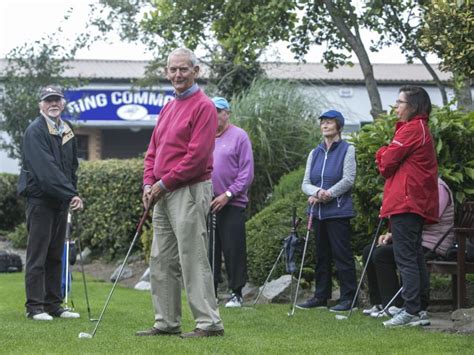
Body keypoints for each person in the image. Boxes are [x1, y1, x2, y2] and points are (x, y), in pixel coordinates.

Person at [138, 48, 224, 338]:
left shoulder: (204, 106)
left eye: (183, 69)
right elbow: (153, 152)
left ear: (196, 71)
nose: (177, 75)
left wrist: (163, 184)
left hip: (188, 189)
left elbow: (197, 158)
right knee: (161, 259)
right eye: (172, 70)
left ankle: (209, 323)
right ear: (166, 72)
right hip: (162, 191)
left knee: (193, 256)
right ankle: (167, 322)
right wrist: (149, 183)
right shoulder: (168, 106)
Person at [18, 85, 83, 321]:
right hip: (40, 200)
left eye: (57, 100)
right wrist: (70, 194)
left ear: (63, 104)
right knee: (38, 255)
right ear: (41, 106)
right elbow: (46, 171)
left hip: (60, 200)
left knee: (56, 254)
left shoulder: (66, 129)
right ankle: (34, 307)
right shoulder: (35, 131)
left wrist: (72, 192)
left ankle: (54, 305)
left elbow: (71, 167)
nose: (53, 104)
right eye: (48, 101)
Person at [375, 85, 438, 328]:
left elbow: (386, 164)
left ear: (413, 106)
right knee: (414, 256)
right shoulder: (418, 128)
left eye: (400, 102)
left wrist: (381, 151)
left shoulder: (412, 129)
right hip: (412, 203)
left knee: (406, 259)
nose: (396, 106)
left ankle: (410, 310)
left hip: (407, 202)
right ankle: (420, 308)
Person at [362, 177, 454, 326]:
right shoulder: (418, 184)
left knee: (382, 255)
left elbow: (429, 217)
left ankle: (394, 304)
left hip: (432, 243)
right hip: (412, 237)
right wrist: (391, 235)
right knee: (370, 250)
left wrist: (397, 233)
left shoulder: (438, 187)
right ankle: (379, 302)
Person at [297, 110, 357, 312]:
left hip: (338, 212)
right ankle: (321, 296)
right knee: (322, 256)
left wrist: (328, 194)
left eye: (329, 122)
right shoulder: (314, 153)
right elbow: (305, 183)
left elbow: (348, 179)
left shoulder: (348, 149)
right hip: (318, 213)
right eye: (323, 122)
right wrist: (316, 192)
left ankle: (349, 298)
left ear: (338, 126)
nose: (325, 126)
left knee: (342, 255)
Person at [208, 96, 254, 308]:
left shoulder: (239, 136)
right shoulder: (204, 136)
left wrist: (227, 195)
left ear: (227, 113)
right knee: (210, 250)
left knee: (233, 249)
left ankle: (236, 293)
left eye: (218, 111)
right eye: (211, 111)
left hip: (232, 202)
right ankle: (211, 292)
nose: (215, 115)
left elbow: (246, 173)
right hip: (207, 203)